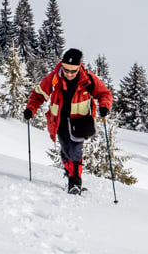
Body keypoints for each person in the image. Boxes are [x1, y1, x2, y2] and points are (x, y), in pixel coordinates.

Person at [24, 48, 113, 194]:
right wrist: (30, 109)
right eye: (66, 70)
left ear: (79, 67)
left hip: (79, 123)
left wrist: (104, 106)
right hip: (59, 122)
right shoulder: (54, 78)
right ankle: (69, 170)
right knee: (65, 151)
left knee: (75, 151)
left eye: (73, 71)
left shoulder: (88, 79)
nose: (69, 74)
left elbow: (104, 93)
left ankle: (75, 181)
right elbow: (38, 95)